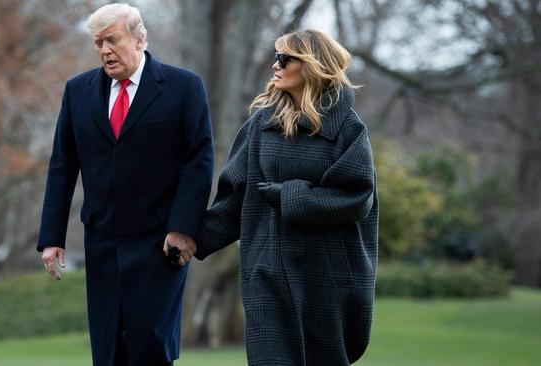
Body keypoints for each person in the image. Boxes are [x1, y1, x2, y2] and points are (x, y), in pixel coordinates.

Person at [36, 3, 213, 366]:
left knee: (150, 346)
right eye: (98, 43)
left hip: (161, 244)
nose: (105, 51)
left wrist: (183, 229)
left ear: (140, 39)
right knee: (108, 350)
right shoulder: (77, 91)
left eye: (112, 40)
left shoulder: (183, 87)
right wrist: (52, 237)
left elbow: (198, 162)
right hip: (102, 243)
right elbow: (62, 166)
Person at [194, 29, 379, 365]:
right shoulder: (261, 124)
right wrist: (193, 239)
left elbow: (357, 197)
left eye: (284, 58)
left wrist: (292, 196)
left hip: (326, 276)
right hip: (266, 270)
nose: (275, 65)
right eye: (275, 56)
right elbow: (234, 199)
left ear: (312, 65)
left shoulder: (348, 129)